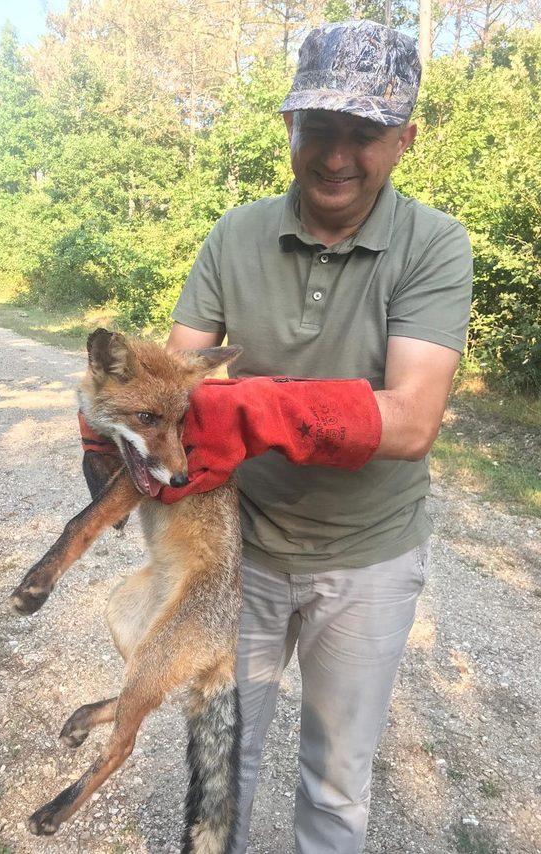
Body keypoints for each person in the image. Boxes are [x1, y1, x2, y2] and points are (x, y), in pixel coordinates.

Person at [161, 19, 473, 854]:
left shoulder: (434, 244)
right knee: (217, 761)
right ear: (289, 127)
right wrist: (132, 412)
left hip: (369, 555)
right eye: (321, 127)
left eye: (364, 132)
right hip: (244, 548)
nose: (338, 154)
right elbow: (178, 380)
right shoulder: (235, 234)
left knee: (337, 783)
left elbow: (411, 421)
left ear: (404, 139)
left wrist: (253, 407)